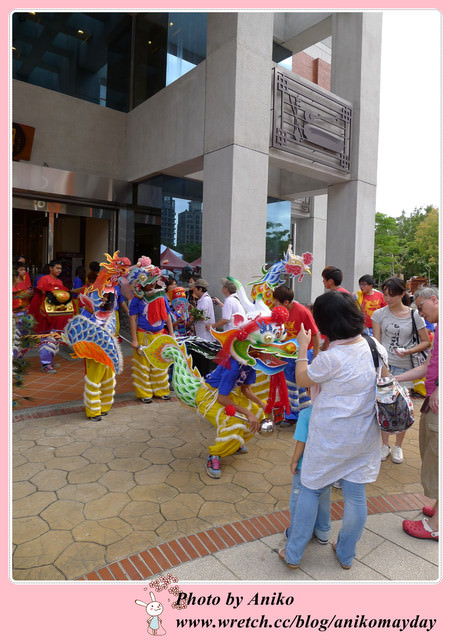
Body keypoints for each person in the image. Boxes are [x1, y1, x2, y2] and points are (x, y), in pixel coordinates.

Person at [278, 291, 388, 570]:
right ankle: (346, 554)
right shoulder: (375, 346)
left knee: (310, 490)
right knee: (355, 497)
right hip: (364, 436)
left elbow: (303, 378)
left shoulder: (332, 357)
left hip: (329, 438)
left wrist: (303, 347)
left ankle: (293, 554)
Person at [372, 277, 431, 464]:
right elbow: (377, 342)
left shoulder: (414, 315)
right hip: (385, 368)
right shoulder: (379, 314)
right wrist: (382, 368)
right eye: (385, 294)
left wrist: (409, 351)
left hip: (407, 367)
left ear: (402, 294)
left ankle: (398, 446)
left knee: (403, 406)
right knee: (384, 406)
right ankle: (384, 444)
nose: (387, 298)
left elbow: (425, 341)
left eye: (392, 295)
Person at [396, 287, 439, 541]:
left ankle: (436, 525)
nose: (420, 314)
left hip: (440, 405)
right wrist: (397, 378)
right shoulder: (440, 328)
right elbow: (427, 365)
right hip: (433, 402)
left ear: (435, 300)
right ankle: (438, 509)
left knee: (439, 459)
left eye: (421, 308)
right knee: (431, 454)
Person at [202, 351, 266, 479]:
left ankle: (234, 443)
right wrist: (247, 414)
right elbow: (221, 399)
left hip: (226, 395)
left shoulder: (252, 363)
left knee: (258, 413)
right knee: (233, 423)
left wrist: (262, 403)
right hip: (210, 395)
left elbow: (245, 389)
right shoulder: (233, 366)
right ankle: (214, 455)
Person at [128, 257, 175, 403]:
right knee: (142, 365)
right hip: (144, 335)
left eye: (155, 281)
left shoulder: (162, 296)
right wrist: (134, 339)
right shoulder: (137, 299)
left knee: (160, 363)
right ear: (141, 284)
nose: (153, 285)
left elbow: (167, 315)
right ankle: (144, 393)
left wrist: (171, 334)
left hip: (159, 335)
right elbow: (132, 318)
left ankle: (161, 390)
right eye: (150, 283)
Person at [272, 285, 320, 425]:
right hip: (287, 353)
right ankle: (293, 414)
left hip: (304, 353)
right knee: (289, 384)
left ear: (286, 302)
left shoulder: (302, 311)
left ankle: (302, 414)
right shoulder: (278, 312)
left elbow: (315, 334)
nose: (274, 304)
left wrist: (315, 355)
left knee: (302, 384)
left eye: (277, 301)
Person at [29, 259, 73, 373]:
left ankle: (50, 361)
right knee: (47, 337)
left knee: (55, 337)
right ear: (51, 268)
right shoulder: (43, 279)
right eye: (57, 268)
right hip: (45, 314)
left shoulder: (60, 282)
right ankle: (46, 364)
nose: (59, 270)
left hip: (57, 315)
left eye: (60, 268)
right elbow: (39, 295)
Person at [185, 278, 217, 377]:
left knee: (203, 362)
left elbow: (202, 316)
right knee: (201, 360)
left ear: (200, 289)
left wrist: (191, 319)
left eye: (195, 289)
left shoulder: (205, 300)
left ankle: (203, 380)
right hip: (202, 335)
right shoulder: (203, 300)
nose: (194, 292)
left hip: (204, 336)